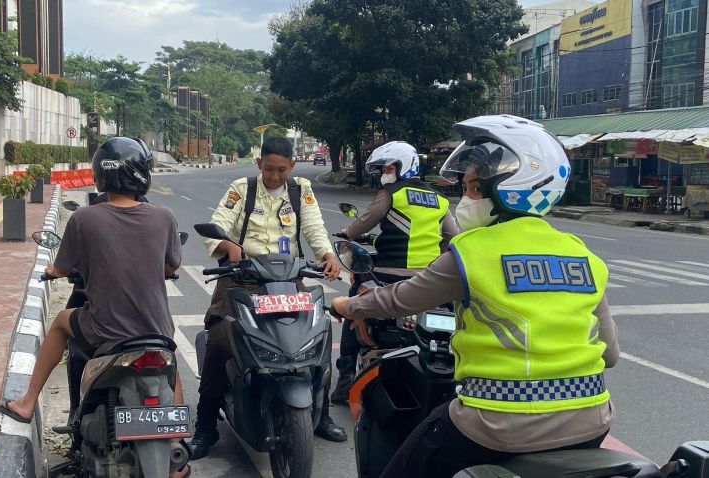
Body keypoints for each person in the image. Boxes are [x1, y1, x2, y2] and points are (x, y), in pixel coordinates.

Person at [331, 115, 619, 478]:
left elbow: (397, 300)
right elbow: (610, 354)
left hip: (497, 424)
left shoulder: (472, 251)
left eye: (471, 188)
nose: (463, 198)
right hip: (592, 421)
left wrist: (347, 304)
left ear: (508, 188)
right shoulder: (584, 255)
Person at [0, 137, 189, 477]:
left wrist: (52, 272)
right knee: (168, 363)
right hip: (157, 330)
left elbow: (60, 267)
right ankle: (177, 452)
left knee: (59, 321)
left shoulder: (84, 219)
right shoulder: (165, 216)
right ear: (144, 174)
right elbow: (171, 265)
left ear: (100, 175)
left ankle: (27, 403)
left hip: (106, 330)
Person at [190, 136, 345, 460]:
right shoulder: (242, 188)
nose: (275, 176)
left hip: (289, 278)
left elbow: (315, 228)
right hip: (242, 277)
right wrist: (228, 246)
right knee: (220, 338)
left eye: (281, 170)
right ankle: (205, 426)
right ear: (259, 164)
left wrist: (328, 254)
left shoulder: (300, 189)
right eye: (269, 169)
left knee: (319, 335)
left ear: (291, 167)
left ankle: (322, 413)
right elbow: (217, 225)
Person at [330, 141, 459, 403]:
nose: (384, 173)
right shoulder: (440, 200)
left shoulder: (391, 193)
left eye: (387, 168)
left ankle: (344, 380)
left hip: (389, 272)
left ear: (402, 168)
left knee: (353, 305)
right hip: (429, 280)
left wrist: (348, 233)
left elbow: (367, 220)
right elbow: (454, 236)